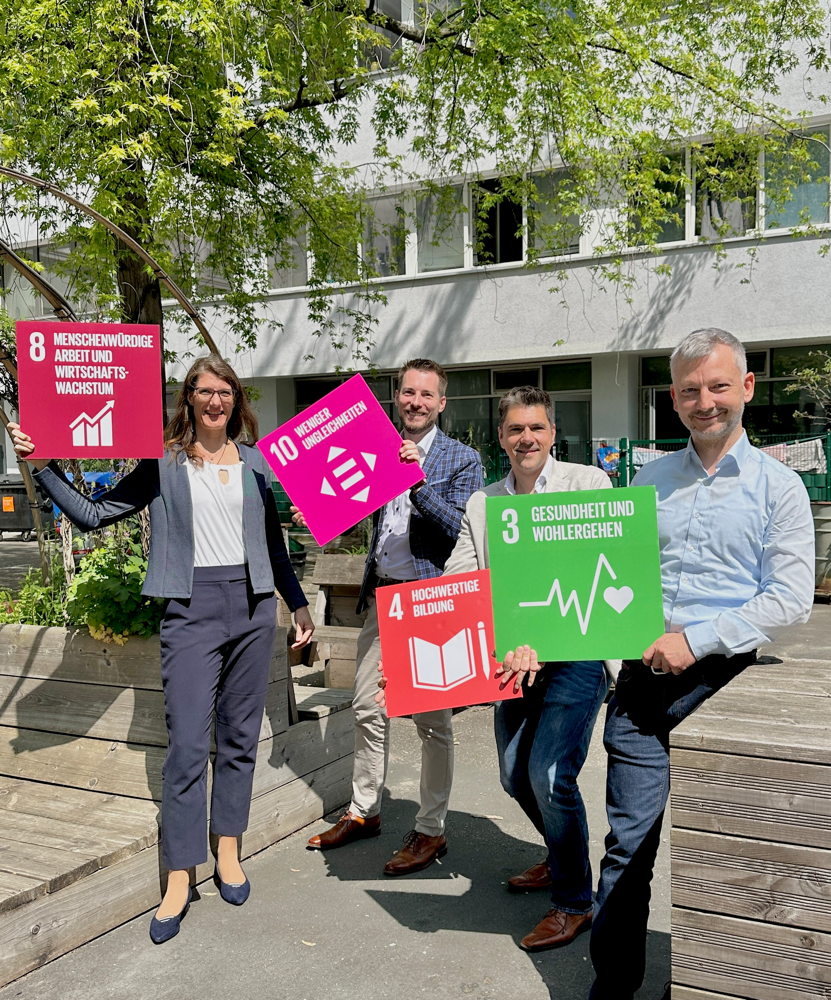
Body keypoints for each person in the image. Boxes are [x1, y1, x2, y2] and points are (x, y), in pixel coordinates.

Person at [10, 356, 314, 944]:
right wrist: (43, 468)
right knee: (187, 744)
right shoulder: (165, 463)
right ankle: (180, 873)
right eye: (205, 391)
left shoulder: (256, 464)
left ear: (236, 401)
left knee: (239, 736)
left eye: (225, 392)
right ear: (189, 399)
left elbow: (272, 546)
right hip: (191, 607)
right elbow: (95, 515)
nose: (215, 402)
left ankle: (227, 849)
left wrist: (296, 603)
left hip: (253, 608)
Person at [588, 329, 815, 1000]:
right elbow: (599, 579)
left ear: (745, 388)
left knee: (722, 854)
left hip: (726, 685)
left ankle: (702, 983)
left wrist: (697, 638)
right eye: (689, 390)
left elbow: (789, 600)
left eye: (717, 385)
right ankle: (615, 987)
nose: (704, 401)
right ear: (672, 399)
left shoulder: (779, 488)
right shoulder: (646, 480)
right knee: (627, 851)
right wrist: (542, 635)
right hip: (641, 687)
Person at [427, 385, 618, 951]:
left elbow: (594, 571)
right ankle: (562, 857)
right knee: (513, 775)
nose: (526, 438)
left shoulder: (589, 484)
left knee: (548, 775)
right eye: (515, 430)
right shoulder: (483, 503)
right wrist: (418, 641)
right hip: (510, 660)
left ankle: (574, 901)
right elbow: (459, 581)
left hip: (577, 655)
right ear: (502, 438)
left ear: (552, 433)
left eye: (536, 428)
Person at [300, 359, 483, 875]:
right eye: (408, 393)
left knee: (432, 722)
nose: (416, 402)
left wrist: (417, 481)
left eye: (427, 395)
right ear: (396, 397)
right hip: (382, 599)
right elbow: (362, 511)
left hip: (431, 603)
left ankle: (430, 831)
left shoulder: (461, 459)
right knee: (365, 708)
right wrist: (317, 508)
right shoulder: (376, 447)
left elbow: (464, 527)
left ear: (441, 403)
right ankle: (364, 812)